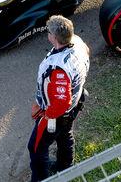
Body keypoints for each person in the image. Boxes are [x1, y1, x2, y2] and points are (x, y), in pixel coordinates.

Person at [28, 15, 90, 181]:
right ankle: (66, 168)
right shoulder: (78, 43)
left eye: (48, 31)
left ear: (53, 37)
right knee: (65, 135)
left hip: (58, 114)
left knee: (36, 148)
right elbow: (87, 52)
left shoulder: (58, 69)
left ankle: (41, 179)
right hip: (77, 102)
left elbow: (62, 102)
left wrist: (48, 115)